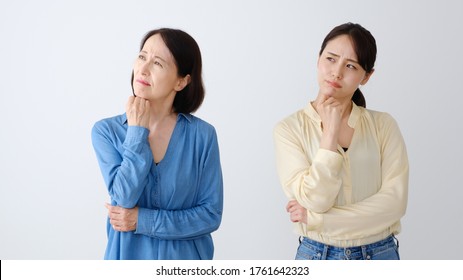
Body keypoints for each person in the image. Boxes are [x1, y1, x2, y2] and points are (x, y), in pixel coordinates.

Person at [273, 22, 408, 260]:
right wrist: (330, 133)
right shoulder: (289, 129)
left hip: (379, 255)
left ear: (366, 76)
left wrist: (317, 219)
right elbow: (316, 198)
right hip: (317, 255)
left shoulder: (384, 126)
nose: (336, 72)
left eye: (350, 66)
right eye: (331, 59)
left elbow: (394, 204)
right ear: (318, 59)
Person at [91, 28, 223, 260]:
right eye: (142, 57)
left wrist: (141, 220)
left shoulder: (202, 136)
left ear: (181, 81)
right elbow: (124, 197)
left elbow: (210, 215)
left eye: (158, 63)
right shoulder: (106, 131)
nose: (143, 69)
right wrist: (136, 133)